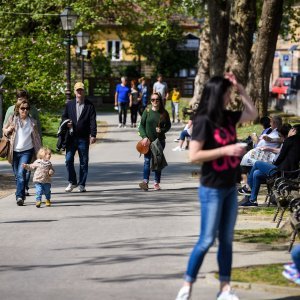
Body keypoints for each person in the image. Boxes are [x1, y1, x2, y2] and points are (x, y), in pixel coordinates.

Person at [175, 74, 257, 300]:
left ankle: (225, 289)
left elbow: (253, 113)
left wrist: (241, 87)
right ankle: (187, 284)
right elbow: (193, 155)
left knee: (227, 240)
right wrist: (225, 150)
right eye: (228, 92)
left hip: (230, 187)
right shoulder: (204, 120)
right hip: (212, 188)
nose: (230, 96)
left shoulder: (229, 117)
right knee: (207, 239)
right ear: (217, 94)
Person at [239, 124, 300, 207]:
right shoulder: (296, 141)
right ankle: (252, 200)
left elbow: (281, 157)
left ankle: (248, 188)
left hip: (283, 172)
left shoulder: (290, 140)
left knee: (257, 163)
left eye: (291, 129)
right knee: (256, 173)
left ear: (293, 130)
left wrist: (272, 165)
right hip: (289, 171)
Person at [2, 98, 42, 206]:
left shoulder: (32, 122)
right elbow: (4, 130)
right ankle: (22, 194)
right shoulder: (12, 119)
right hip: (14, 152)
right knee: (18, 176)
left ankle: (19, 196)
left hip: (27, 151)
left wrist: (40, 153)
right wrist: (8, 130)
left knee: (21, 173)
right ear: (18, 109)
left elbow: (37, 138)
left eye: (27, 108)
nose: (25, 110)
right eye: (22, 108)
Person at [62, 82, 97, 193]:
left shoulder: (89, 105)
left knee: (84, 161)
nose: (79, 92)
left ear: (84, 91)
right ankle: (72, 182)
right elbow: (64, 117)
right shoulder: (69, 104)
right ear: (74, 92)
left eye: (81, 90)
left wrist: (93, 134)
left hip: (83, 138)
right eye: (77, 90)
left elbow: (93, 121)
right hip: (71, 137)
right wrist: (66, 123)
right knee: (68, 160)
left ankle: (82, 184)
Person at [138, 92, 171, 191]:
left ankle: (156, 183)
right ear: (150, 101)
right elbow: (141, 126)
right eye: (153, 100)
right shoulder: (147, 111)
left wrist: (162, 130)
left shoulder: (164, 113)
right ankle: (145, 182)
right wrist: (144, 137)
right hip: (148, 141)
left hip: (159, 141)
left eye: (157, 99)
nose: (155, 101)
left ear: (160, 101)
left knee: (157, 162)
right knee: (147, 161)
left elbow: (168, 125)